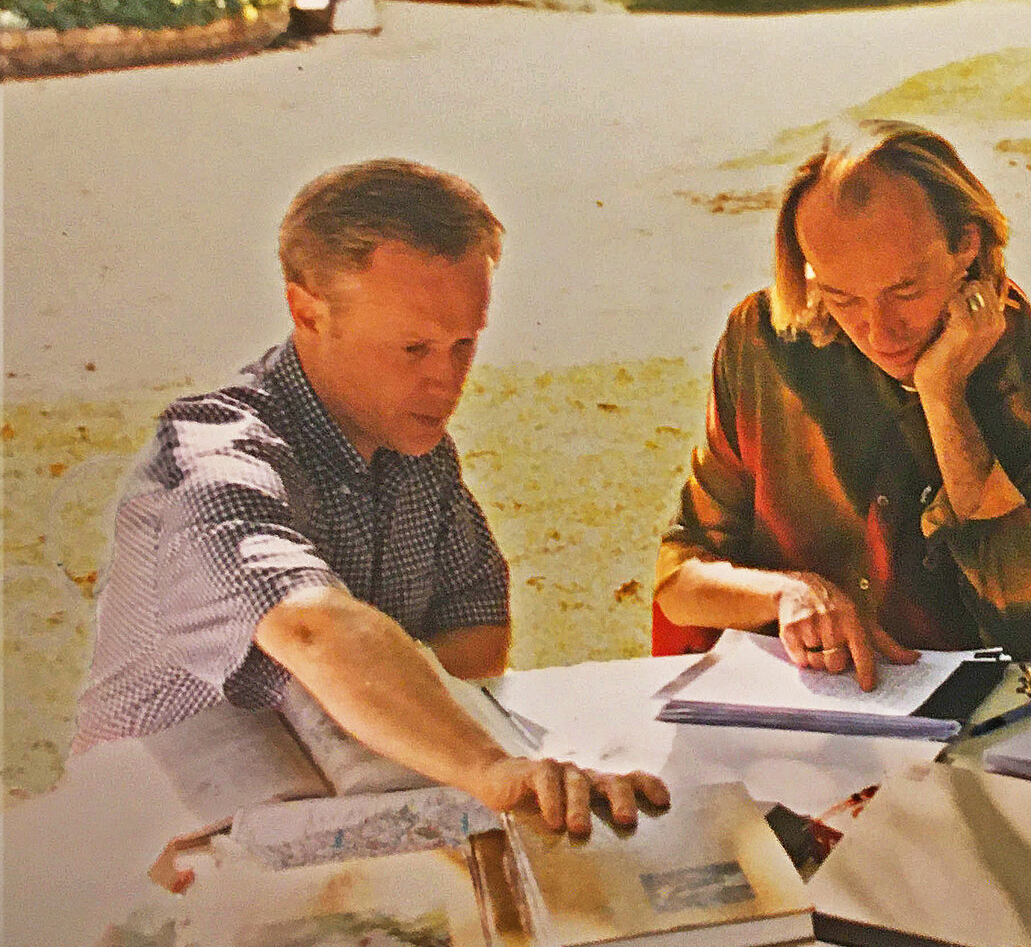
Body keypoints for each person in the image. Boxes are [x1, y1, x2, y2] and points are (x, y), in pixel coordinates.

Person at [77, 158, 667, 834]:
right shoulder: (211, 457)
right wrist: (486, 767)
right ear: (308, 312)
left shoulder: (415, 449)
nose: (447, 381)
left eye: (464, 343)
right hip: (145, 833)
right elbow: (309, 628)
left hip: (332, 818)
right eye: (414, 348)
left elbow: (475, 628)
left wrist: (424, 749)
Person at [654, 120, 1031, 688]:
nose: (880, 332)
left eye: (905, 291)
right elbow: (679, 583)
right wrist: (787, 593)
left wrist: (943, 397)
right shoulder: (763, 342)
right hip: (798, 717)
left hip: (987, 725)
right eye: (841, 297)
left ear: (967, 244)